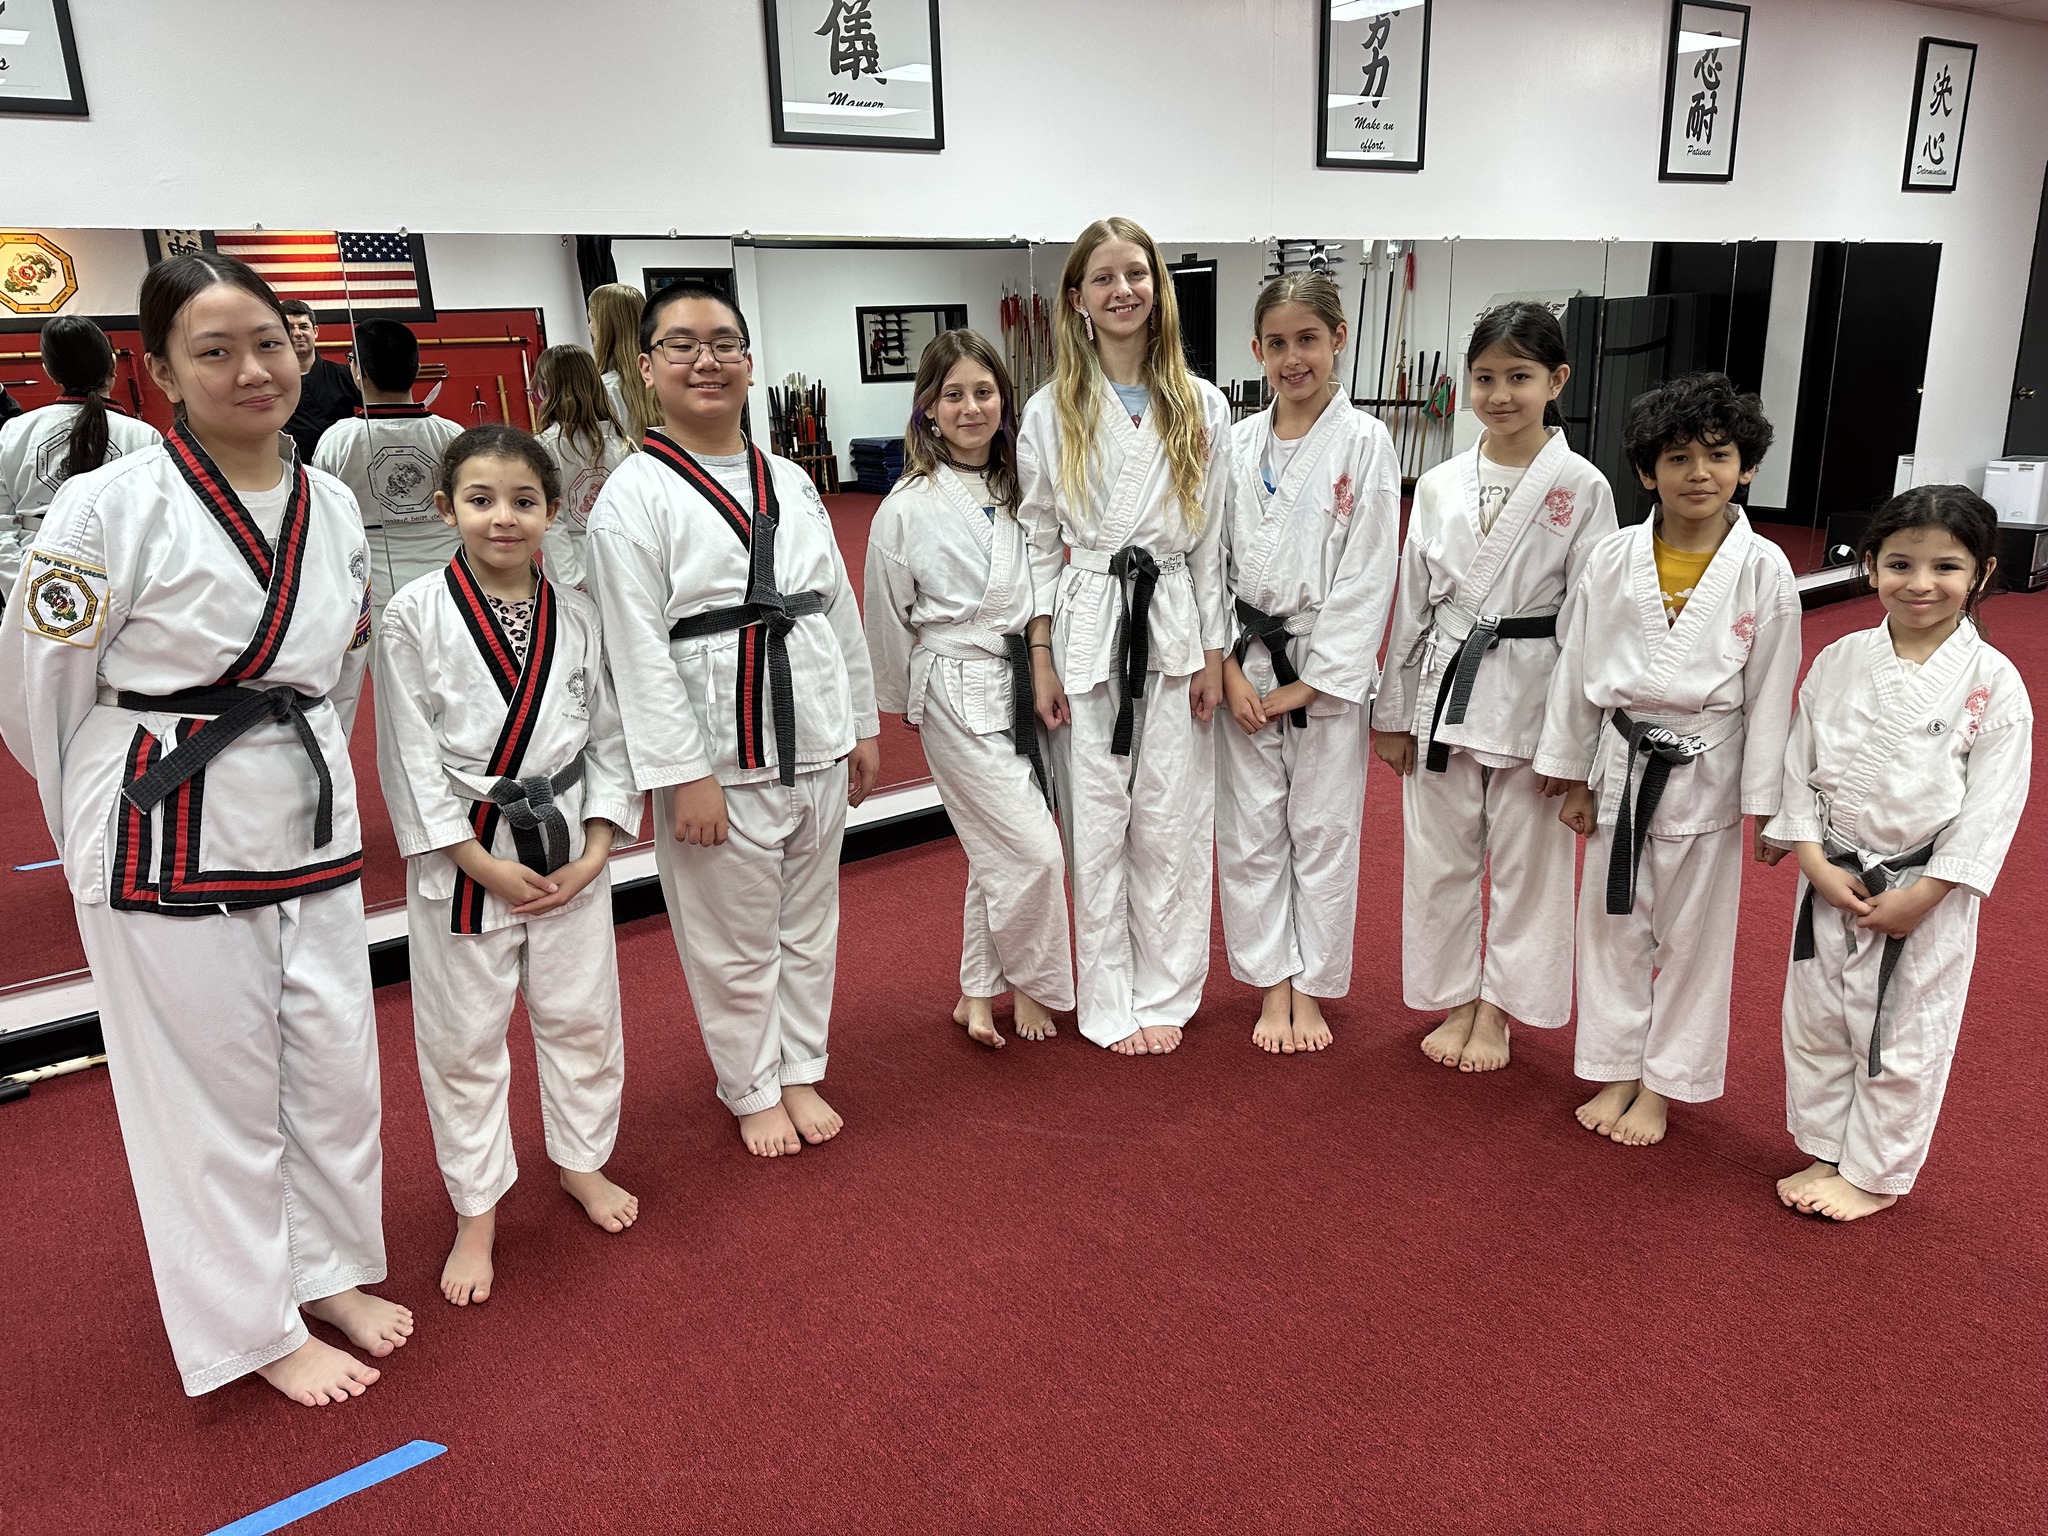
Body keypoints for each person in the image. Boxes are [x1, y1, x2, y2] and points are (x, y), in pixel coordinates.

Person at [0, 251, 409, 1405]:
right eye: (215, 352)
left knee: (331, 1066)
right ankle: (250, 1325)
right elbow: (37, 689)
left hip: (303, 810)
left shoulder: (331, 500)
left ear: (302, 349)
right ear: (165, 373)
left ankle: (327, 1269)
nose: (251, 370)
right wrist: (95, 815)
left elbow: (337, 667)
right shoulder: (106, 506)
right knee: (211, 1088)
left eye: (268, 343)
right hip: (163, 820)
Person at [583, 282, 879, 1157]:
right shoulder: (631, 496)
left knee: (809, 923)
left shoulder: (790, 478)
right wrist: (685, 775)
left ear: (749, 362)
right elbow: (634, 651)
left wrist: (860, 723)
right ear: (646, 368)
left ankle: (801, 1066)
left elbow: (835, 606)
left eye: (723, 344)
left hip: (813, 728)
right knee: (731, 940)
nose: (705, 361)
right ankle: (751, 1084)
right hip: (719, 750)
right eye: (681, 345)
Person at [376, 424, 642, 1305]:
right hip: (465, 852)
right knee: (464, 1042)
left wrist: (599, 845)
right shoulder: (412, 614)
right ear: (444, 507)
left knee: (582, 1017)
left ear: (552, 511)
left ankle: (581, 1161)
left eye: (524, 501)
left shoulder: (582, 614)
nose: (503, 518)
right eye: (481, 500)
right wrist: (472, 860)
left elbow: (609, 737)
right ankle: (477, 1209)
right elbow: (408, 756)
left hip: (567, 844)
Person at [1539, 373, 1800, 1145]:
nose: (1699, 474)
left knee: (1695, 944)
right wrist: (1574, 775)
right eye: (1678, 458)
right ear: (1647, 471)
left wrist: (1766, 807)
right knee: (1612, 926)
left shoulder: (1765, 568)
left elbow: (1772, 691)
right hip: (1621, 763)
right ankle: (1617, 1066)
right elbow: (1576, 668)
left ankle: (1662, 1086)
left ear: (1747, 467)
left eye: (1718, 456)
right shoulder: (1611, 558)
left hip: (1709, 772)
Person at [1765, 487, 2030, 1221]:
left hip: (1921, 888)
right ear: (1871, 564)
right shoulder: (1841, 658)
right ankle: (1828, 1146)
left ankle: (1876, 1173)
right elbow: (1798, 763)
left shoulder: (1994, 682)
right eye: (1901, 564)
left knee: (1904, 1033)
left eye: (1946, 566)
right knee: (1817, 1021)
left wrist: (1929, 893)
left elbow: (1993, 806)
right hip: (1834, 872)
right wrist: (1811, 857)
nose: (1921, 583)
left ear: (1981, 572)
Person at [1371, 303, 1617, 1073]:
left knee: (1526, 866)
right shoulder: (1440, 483)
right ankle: (1454, 997)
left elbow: (1591, 622)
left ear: (1557, 380)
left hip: (1537, 692)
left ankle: (1502, 1008)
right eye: (1484, 378)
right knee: (1439, 858)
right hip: (1444, 685)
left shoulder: (1583, 486)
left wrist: (1574, 747)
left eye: (1519, 377)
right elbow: (1412, 601)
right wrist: (1393, 712)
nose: (1500, 394)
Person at [1015, 217, 1232, 1056]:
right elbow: (1038, 543)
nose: (1123, 290)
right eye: (1103, 278)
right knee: (1098, 824)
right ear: (1077, 298)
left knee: (1170, 821)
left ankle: (1166, 988)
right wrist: (1040, 656)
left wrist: (1212, 653)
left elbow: (1210, 545)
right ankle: (1107, 996)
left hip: (1171, 620)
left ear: (1158, 287)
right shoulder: (1050, 409)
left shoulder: (1201, 403)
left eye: (1136, 273)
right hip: (1084, 619)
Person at [865, 329, 1073, 1049]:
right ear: (927, 406)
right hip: (953, 688)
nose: (971, 407)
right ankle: (1033, 985)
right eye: (953, 394)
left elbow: (1046, 578)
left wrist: (1042, 660)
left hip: (1020, 677)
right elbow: (887, 616)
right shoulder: (905, 506)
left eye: (984, 392)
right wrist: (905, 700)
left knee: (998, 845)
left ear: (1004, 401)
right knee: (1036, 849)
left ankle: (977, 993)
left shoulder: (1023, 488)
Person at [1217, 273, 1399, 1055]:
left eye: (1309, 340)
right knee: (1251, 830)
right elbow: (1209, 561)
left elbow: (1370, 570)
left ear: (1339, 339)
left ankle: (1313, 984)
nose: (1294, 358)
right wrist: (1225, 666)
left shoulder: (1366, 441)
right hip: (1245, 662)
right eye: (1278, 343)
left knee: (1322, 829)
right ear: (1256, 350)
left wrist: (1312, 683)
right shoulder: (1235, 444)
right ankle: (1271, 983)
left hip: (1321, 670)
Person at [312, 317, 465, 626]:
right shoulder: (452, 435)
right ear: (416, 369)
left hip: (381, 587)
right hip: (446, 576)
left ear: (358, 371)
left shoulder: (336, 441)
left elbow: (325, 525)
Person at [0, 315, 162, 595]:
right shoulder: (144, 437)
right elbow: (157, 529)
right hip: (121, 577)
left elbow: (2, 523)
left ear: (49, 372)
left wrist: (18, 587)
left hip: (32, 570)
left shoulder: (15, 432)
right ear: (113, 365)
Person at [532, 343, 634, 589]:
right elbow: (550, 517)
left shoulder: (620, 443)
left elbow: (548, 519)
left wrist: (570, 579)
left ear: (546, 389)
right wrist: (572, 578)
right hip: (604, 560)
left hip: (600, 560)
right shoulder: (622, 442)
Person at [281, 298, 362, 461]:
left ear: (315, 331)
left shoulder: (344, 374)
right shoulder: (273, 382)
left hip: (342, 461)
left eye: (303, 327)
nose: (297, 333)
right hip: (295, 466)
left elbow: (376, 410)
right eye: (289, 328)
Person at [586, 283, 662, 443]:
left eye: (591, 320)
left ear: (604, 328)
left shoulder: (603, 390)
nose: (589, 327)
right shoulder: (665, 378)